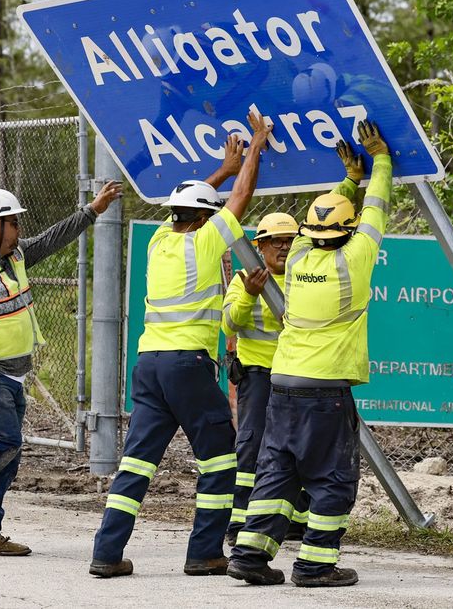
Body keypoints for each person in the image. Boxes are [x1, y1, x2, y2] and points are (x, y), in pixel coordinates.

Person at [90, 110, 272, 578]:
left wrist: (220, 172)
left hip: (148, 365)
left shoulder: (159, 242)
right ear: (206, 218)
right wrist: (253, 147)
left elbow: (193, 206)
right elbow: (241, 199)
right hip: (187, 366)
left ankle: (106, 554)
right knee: (220, 459)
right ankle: (204, 552)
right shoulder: (207, 241)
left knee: (136, 463)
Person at [227, 119, 391, 588]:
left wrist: (347, 181)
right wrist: (378, 161)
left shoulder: (297, 256)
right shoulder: (355, 259)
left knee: (277, 471)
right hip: (326, 390)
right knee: (333, 477)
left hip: (283, 385)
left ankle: (250, 555)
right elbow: (377, 209)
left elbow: (317, 221)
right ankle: (316, 565)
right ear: (349, 231)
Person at [0, 182, 122, 555]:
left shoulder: (12, 257)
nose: (20, 231)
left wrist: (92, 210)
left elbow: (51, 239)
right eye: (14, 224)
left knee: (7, 454)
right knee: (3, 444)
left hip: (10, 376)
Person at [221, 212, 311, 546]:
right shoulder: (243, 278)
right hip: (258, 376)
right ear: (260, 246)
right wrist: (248, 294)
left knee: (302, 448)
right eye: (277, 241)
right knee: (251, 448)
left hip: (296, 376)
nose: (284, 247)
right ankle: (239, 524)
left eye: (290, 240)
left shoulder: (305, 278)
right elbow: (228, 325)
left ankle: (295, 522)